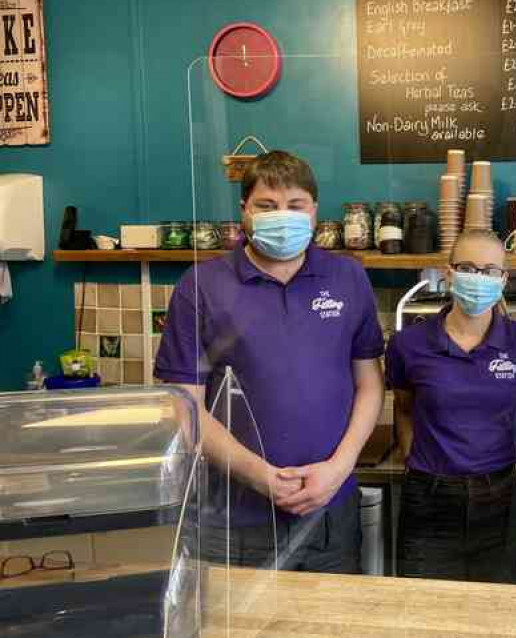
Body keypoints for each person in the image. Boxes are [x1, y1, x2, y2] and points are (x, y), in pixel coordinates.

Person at [155, 151, 386, 573]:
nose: (283, 215)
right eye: (267, 205)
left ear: (314, 212)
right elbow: (182, 407)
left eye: (295, 206)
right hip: (234, 519)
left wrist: (338, 469)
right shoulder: (201, 286)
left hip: (331, 513)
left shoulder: (348, 277)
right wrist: (262, 476)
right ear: (244, 210)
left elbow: (370, 384)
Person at [385, 230, 516, 583]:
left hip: (501, 502)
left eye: (490, 270)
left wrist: (513, 443)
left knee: (495, 618)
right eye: (468, 268)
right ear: (449, 272)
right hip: (429, 503)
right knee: (424, 615)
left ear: (503, 279)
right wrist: (416, 455)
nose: (479, 279)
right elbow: (403, 406)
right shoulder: (408, 344)